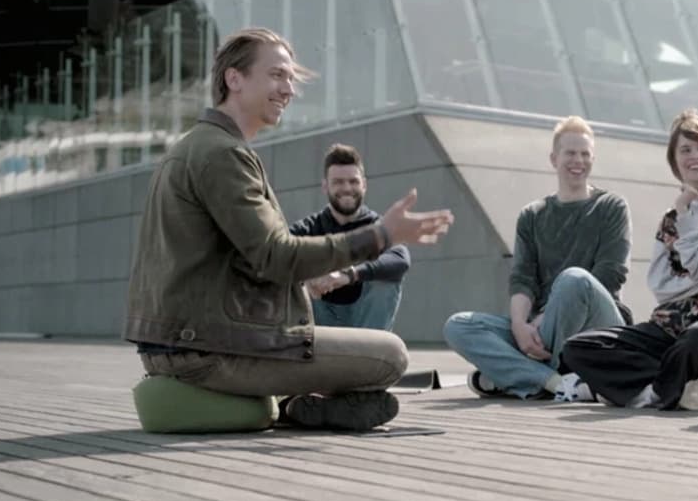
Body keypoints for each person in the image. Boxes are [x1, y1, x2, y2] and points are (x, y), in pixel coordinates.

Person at [123, 27, 454, 431]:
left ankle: (294, 402)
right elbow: (276, 256)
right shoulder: (222, 154)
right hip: (205, 349)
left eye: (291, 79)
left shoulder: (199, 146)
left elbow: (255, 258)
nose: (289, 89)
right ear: (234, 79)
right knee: (390, 357)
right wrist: (381, 236)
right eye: (277, 75)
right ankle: (296, 404)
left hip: (187, 341)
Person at [561, 110, 698, 410]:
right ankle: (672, 387)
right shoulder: (669, 221)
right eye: (685, 150)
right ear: (675, 162)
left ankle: (648, 391)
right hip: (672, 323)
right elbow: (661, 285)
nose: (695, 156)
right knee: (579, 347)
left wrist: (687, 215)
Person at [443, 116, 632, 400]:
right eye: (570, 153)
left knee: (575, 279)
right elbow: (523, 278)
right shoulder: (533, 215)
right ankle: (556, 382)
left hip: (599, 326)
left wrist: (545, 319)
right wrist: (520, 327)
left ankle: (516, 375)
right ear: (554, 159)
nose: (578, 160)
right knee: (459, 325)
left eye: (585, 154)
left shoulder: (611, 206)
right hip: (540, 330)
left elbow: (610, 274)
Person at [289, 143, 411, 332]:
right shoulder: (308, 228)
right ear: (325, 186)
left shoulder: (378, 226)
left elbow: (400, 259)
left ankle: (370, 349)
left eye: (353, 181)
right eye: (338, 182)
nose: (347, 188)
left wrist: (349, 275)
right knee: (290, 275)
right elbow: (274, 253)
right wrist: (306, 276)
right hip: (317, 318)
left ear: (364, 185)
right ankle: (299, 346)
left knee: (385, 280)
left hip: (365, 325)